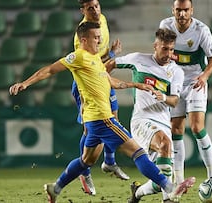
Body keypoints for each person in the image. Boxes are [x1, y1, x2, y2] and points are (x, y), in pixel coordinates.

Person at [9, 22, 193, 203]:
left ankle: (55, 188)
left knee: (85, 161)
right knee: (138, 153)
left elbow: (110, 82)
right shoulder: (78, 57)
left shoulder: (95, 59)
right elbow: (49, 70)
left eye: (99, 37)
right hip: (103, 119)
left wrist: (135, 85)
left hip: (94, 121)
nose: (99, 40)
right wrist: (25, 83)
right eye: (96, 37)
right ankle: (170, 188)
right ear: (83, 40)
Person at [107, 28, 196, 203]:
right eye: (164, 49)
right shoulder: (138, 59)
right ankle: (169, 199)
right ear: (155, 46)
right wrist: (105, 85)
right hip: (142, 120)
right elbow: (109, 65)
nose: (169, 54)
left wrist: (163, 97)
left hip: (163, 124)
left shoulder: (176, 71)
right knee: (165, 143)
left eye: (172, 50)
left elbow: (175, 101)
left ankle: (137, 192)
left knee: (160, 181)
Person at [159, 0, 212, 186]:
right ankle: (178, 180)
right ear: (173, 10)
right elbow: (161, 52)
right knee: (176, 129)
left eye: (186, 10)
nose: (182, 14)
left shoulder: (202, 30)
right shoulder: (165, 25)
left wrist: (204, 76)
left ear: (191, 10)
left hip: (195, 82)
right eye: (178, 10)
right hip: (174, 82)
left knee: (196, 127)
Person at [72, 0, 129, 196]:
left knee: (113, 119)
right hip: (87, 83)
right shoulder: (82, 35)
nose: (95, 10)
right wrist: (113, 54)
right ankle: (84, 172)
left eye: (96, 5)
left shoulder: (101, 19)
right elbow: (91, 64)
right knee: (91, 129)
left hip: (102, 77)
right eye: (90, 8)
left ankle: (109, 162)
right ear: (83, 11)